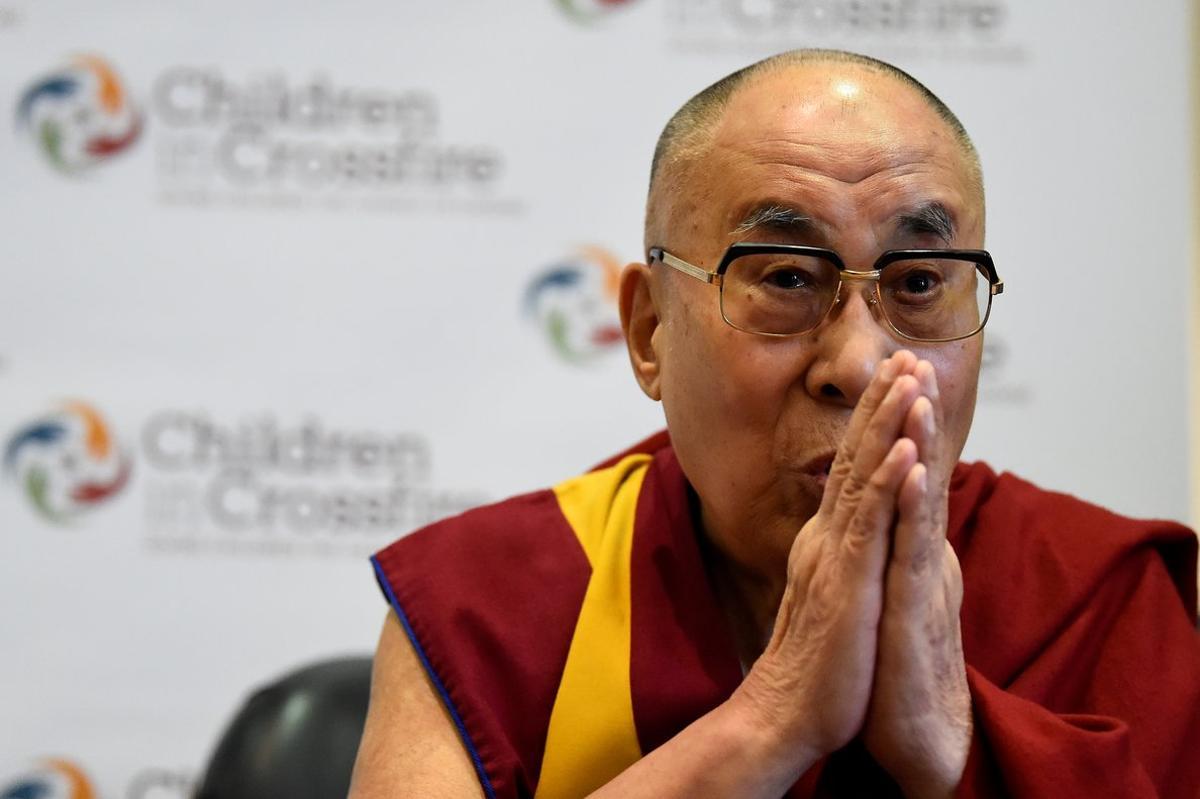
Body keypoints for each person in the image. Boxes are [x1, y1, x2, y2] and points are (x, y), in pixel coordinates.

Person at [348, 50, 1200, 798]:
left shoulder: (1098, 596)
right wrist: (774, 719)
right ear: (649, 333)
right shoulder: (492, 602)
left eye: (918, 283)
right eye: (788, 277)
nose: (860, 365)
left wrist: (952, 740)